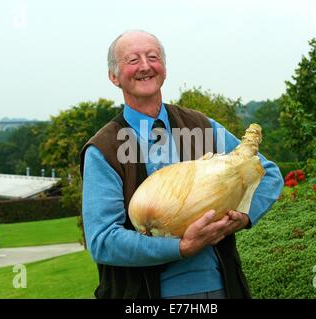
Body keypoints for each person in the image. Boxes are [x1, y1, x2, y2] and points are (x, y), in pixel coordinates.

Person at [80, 30, 284, 299]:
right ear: (114, 76)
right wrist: (180, 247)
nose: (145, 66)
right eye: (132, 60)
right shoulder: (103, 149)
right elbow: (103, 240)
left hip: (221, 287)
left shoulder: (200, 126)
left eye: (153, 57)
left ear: (163, 68)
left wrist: (244, 216)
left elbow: (267, 173)